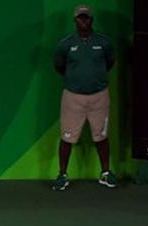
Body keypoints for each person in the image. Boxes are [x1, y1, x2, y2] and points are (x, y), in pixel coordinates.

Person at [52, 5, 117, 191]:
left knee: (101, 136)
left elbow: (110, 62)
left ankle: (105, 173)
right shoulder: (65, 44)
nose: (84, 21)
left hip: (99, 96)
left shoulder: (103, 42)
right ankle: (62, 175)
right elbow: (59, 66)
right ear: (75, 21)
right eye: (80, 18)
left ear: (91, 20)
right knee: (67, 137)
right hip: (73, 97)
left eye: (87, 18)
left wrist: (94, 78)